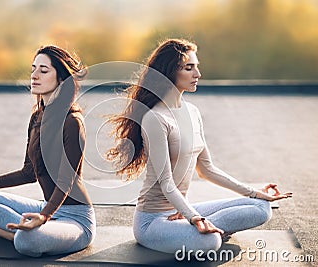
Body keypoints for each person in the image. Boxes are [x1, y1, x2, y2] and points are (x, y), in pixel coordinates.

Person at [107, 39, 292, 254]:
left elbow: (207, 170)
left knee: (261, 208)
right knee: (210, 242)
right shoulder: (155, 119)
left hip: (181, 211)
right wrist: (194, 217)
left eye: (197, 66)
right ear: (169, 72)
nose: (198, 74)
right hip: (153, 221)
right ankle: (201, 229)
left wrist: (255, 193)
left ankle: (197, 226)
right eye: (189, 68)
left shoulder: (192, 112)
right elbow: (166, 182)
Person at [0, 45, 96, 257]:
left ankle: (12, 233)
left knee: (27, 241)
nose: (34, 76)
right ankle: (22, 229)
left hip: (75, 219)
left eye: (43, 71)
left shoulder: (72, 122)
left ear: (61, 79)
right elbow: (28, 172)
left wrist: (43, 216)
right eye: (33, 69)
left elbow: (66, 181)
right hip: (46, 207)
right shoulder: (36, 118)